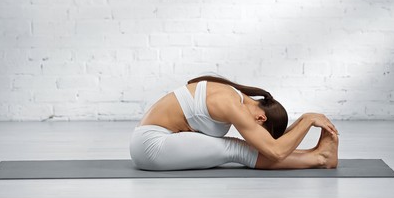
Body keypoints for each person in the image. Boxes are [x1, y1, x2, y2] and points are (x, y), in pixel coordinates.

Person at [129, 75, 339, 171]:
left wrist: (300, 124)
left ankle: (316, 152)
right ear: (261, 118)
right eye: (262, 131)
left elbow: (271, 147)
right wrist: (308, 119)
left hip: (150, 140)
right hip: (150, 146)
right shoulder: (231, 104)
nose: (257, 137)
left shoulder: (232, 94)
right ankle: (320, 158)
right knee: (238, 149)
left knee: (242, 147)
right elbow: (275, 151)